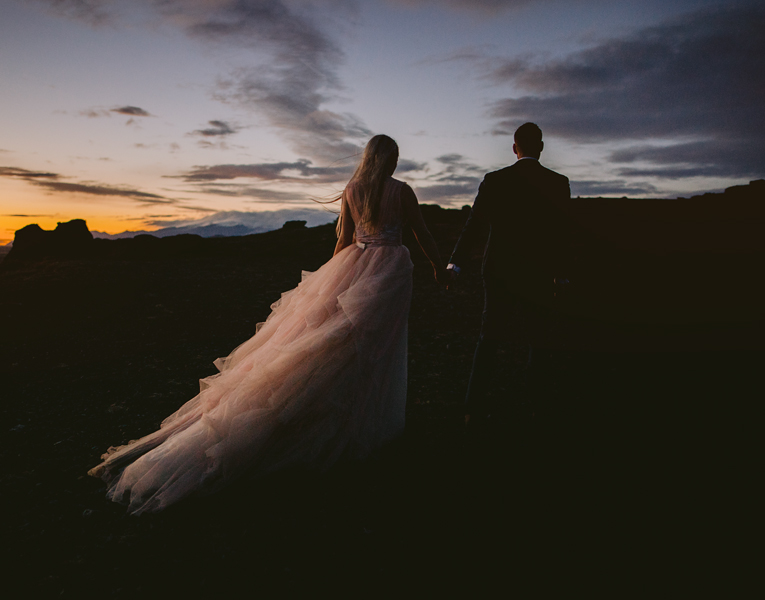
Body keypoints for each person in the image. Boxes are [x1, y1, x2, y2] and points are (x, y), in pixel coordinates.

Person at [89, 134, 446, 514]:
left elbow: (343, 241)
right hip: (389, 270)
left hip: (355, 265)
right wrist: (440, 267)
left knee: (339, 342)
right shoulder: (401, 191)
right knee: (374, 346)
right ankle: (360, 423)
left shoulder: (353, 188)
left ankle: (346, 417)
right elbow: (422, 234)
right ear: (390, 159)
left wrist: (331, 281)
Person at [446, 122, 571, 425]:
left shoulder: (494, 180)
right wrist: (562, 273)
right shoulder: (557, 182)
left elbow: (474, 225)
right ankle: (536, 408)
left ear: (514, 148)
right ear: (540, 148)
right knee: (538, 339)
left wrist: (455, 263)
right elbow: (564, 234)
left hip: (499, 269)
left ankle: (472, 408)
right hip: (538, 272)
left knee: (489, 338)